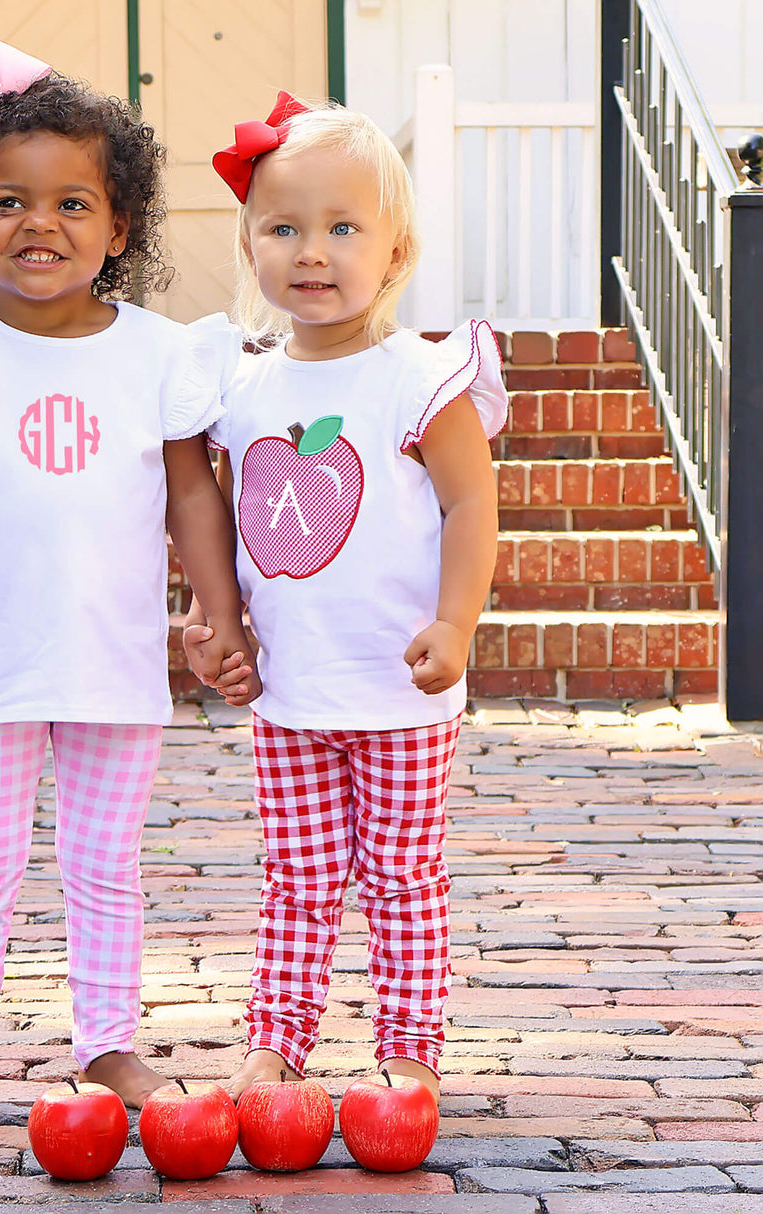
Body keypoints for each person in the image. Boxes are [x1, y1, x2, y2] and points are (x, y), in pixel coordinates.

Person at [0, 41, 257, 1127]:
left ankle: (107, 1040)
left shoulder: (156, 356)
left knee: (104, 864)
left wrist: (220, 611)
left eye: (72, 202)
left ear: (118, 229)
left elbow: (191, 496)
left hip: (111, 651)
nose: (39, 224)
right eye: (6, 201)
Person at [183, 93, 506, 1107]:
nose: (309, 251)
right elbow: (224, 531)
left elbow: (468, 504)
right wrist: (214, 629)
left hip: (400, 689)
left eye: (339, 227)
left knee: (403, 877)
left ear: (394, 247)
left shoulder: (418, 378)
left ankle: (408, 1048)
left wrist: (454, 621)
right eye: (282, 228)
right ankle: (275, 1039)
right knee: (297, 876)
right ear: (248, 244)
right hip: (290, 689)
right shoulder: (239, 391)